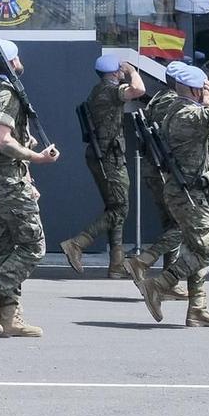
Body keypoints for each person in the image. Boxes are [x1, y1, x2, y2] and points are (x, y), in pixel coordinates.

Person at [133, 60, 209, 328]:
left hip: (185, 190)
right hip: (191, 194)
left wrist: (205, 98)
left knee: (195, 247)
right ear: (195, 90)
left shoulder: (174, 108)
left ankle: (197, 309)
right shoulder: (189, 116)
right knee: (207, 251)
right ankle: (159, 284)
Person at [0, 38, 58, 337]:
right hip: (6, 181)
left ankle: (9, 317)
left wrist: (23, 145)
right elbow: (0, 140)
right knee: (33, 245)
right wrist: (36, 157)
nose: (20, 63)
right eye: (17, 59)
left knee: (6, 247)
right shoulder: (7, 94)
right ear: (12, 62)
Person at [61, 56, 145, 278]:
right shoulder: (108, 90)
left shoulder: (99, 90)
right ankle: (77, 243)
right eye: (120, 71)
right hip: (109, 158)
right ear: (115, 73)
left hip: (105, 156)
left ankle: (116, 263)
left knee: (115, 206)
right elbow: (138, 90)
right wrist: (132, 71)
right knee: (120, 209)